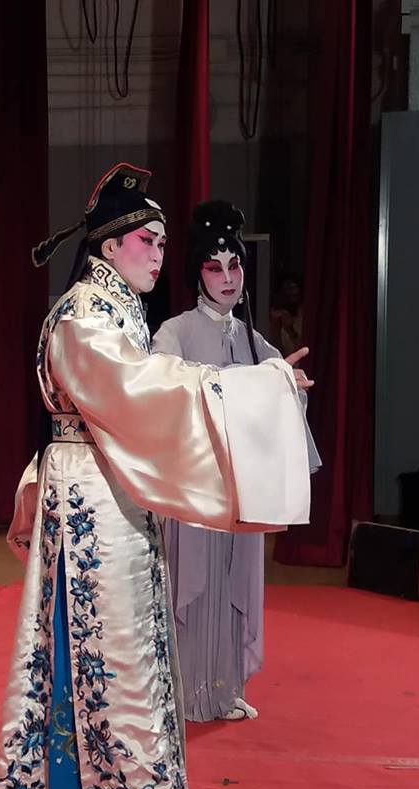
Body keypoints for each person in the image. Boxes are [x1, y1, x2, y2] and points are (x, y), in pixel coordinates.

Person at [0, 164, 313, 789]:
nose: (159, 254)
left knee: (111, 643)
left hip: (110, 488)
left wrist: (263, 383)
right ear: (109, 247)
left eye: (163, 243)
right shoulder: (84, 314)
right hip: (92, 495)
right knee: (105, 644)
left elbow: (142, 392)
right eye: (147, 241)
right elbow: (141, 389)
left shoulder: (115, 310)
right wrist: (253, 387)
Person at [152, 201, 321, 723]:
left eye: (235, 265)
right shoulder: (175, 332)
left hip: (240, 489)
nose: (227, 278)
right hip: (195, 487)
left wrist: (287, 388)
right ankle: (184, 694)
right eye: (214, 267)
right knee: (193, 583)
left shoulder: (253, 339)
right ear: (196, 274)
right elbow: (162, 390)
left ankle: (223, 690)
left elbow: (274, 399)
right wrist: (256, 383)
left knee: (232, 584)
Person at [270, 273, 304, 357]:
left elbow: (305, 352)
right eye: (286, 289)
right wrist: (276, 328)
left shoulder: (305, 317)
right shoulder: (281, 316)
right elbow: (275, 353)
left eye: (293, 287)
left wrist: (290, 330)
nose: (290, 292)